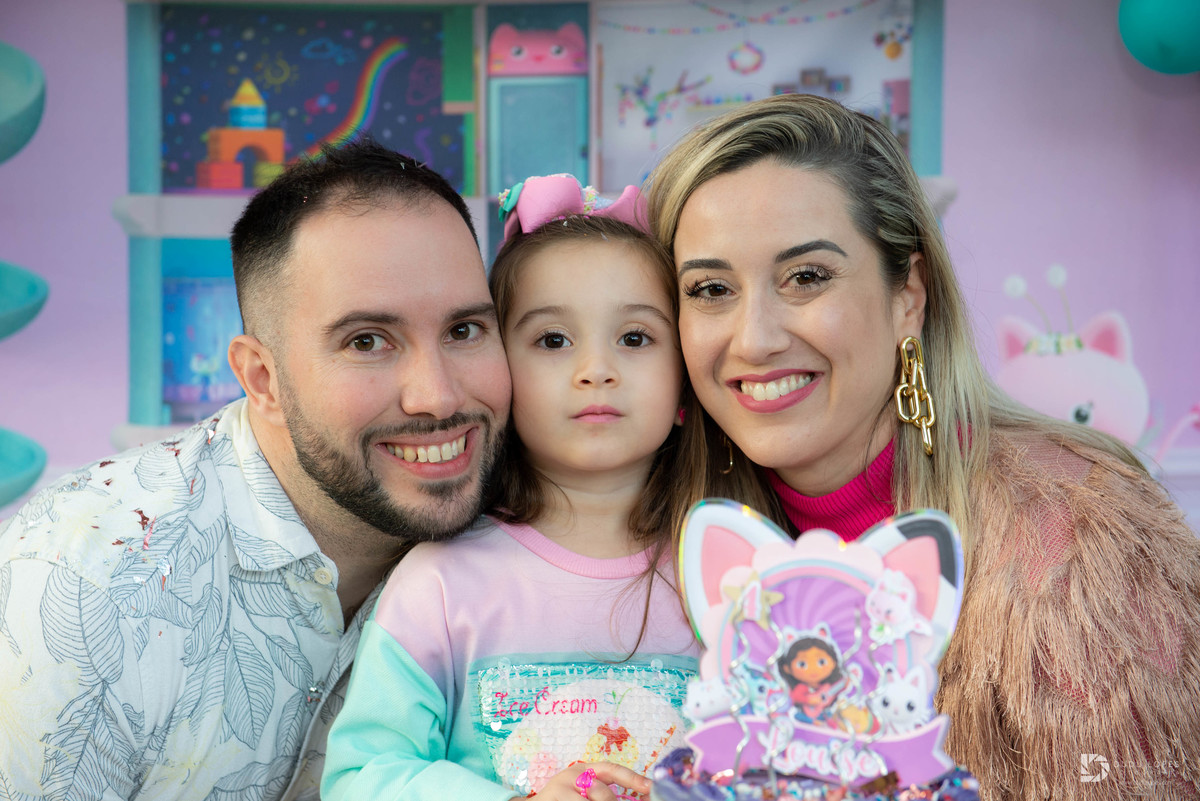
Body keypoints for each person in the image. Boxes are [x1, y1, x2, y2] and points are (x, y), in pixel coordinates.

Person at [643, 93, 1200, 800]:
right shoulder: (666, 541)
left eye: (806, 277)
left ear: (908, 292)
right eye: (711, 288)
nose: (753, 338)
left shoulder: (1077, 541)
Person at [0, 139, 511, 800]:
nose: (438, 397)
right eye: (367, 341)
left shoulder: (545, 525)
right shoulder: (84, 585)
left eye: (464, 330)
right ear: (262, 378)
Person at [321, 175, 701, 801]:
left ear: (686, 379)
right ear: (499, 373)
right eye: (553, 340)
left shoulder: (727, 578)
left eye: (635, 338)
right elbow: (359, 779)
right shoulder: (442, 585)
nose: (596, 370)